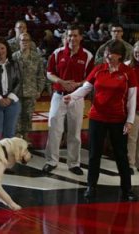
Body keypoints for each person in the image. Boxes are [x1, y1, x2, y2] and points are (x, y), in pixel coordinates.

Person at [64, 40, 138, 201]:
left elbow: (132, 100)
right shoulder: (99, 69)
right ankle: (91, 187)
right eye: (105, 54)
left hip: (118, 119)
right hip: (97, 117)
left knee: (121, 155)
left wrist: (130, 121)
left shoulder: (128, 72)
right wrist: (72, 96)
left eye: (110, 55)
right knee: (94, 154)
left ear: (119, 56)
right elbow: (86, 88)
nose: (107, 58)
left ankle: (127, 189)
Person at [42, 24, 94, 175]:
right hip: (59, 96)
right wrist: (61, 82)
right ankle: (51, 161)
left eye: (75, 35)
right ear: (66, 37)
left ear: (81, 37)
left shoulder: (88, 56)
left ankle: (73, 163)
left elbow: (90, 79)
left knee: (75, 132)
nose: (72, 38)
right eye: (69, 35)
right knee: (54, 129)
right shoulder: (57, 53)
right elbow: (49, 73)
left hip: (77, 98)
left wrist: (78, 85)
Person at [12, 32, 45, 143]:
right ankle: (16, 139)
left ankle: (26, 137)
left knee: (28, 115)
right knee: (16, 116)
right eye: (22, 40)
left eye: (27, 40)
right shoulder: (14, 57)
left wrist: (39, 90)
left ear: (30, 42)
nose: (25, 42)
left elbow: (41, 75)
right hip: (16, 92)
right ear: (19, 42)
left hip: (31, 91)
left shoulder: (37, 57)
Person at [126, 41, 139, 174]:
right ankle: (130, 164)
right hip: (132, 109)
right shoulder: (127, 66)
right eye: (137, 50)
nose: (138, 53)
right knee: (132, 138)